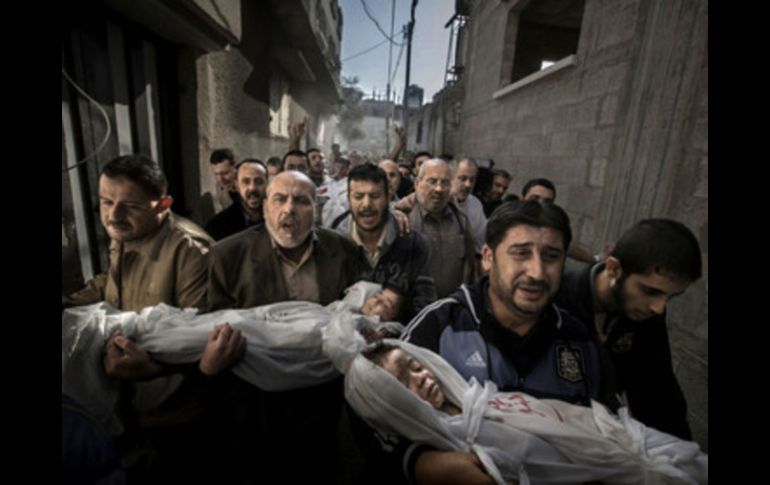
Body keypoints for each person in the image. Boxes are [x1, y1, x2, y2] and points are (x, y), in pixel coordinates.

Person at [352, 200, 614, 484]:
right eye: (521, 253)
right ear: (488, 258)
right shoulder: (440, 325)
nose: (537, 272)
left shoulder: (580, 341)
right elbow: (370, 410)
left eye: (551, 256)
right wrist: (420, 463)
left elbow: (609, 434)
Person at [349, 341, 708, 484]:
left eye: (415, 365)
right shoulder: (447, 452)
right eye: (401, 380)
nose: (422, 376)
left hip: (623, 438)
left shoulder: (474, 396)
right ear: (388, 403)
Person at [205, 170, 363, 483]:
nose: (288, 209)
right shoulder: (228, 256)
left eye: (301, 201)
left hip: (323, 401)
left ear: (315, 210)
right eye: (279, 199)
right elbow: (214, 328)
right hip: (256, 404)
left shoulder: (343, 252)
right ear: (265, 208)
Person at [557, 218, 702, 440]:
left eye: (670, 297)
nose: (659, 307)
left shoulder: (647, 315)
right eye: (651, 292)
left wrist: (679, 460)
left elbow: (658, 394)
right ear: (614, 269)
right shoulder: (558, 299)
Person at [64, 154, 212, 311]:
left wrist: (128, 336)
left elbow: (196, 328)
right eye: (107, 203)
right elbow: (113, 282)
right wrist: (67, 305)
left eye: (131, 206)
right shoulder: (129, 229)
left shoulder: (192, 251)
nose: (114, 216)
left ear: (164, 205)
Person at [330, 164, 437, 322]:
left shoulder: (414, 244)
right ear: (348, 198)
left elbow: (424, 309)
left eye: (375, 196)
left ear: (388, 197)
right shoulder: (332, 244)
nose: (367, 204)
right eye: (358, 196)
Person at [399, 159, 478, 298]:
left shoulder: (461, 221)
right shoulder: (403, 219)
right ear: (417, 184)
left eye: (445, 183)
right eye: (432, 181)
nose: (439, 189)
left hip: (453, 310)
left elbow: (471, 267)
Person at [521, 177, 597, 263]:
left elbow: (566, 247)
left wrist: (596, 260)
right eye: (534, 198)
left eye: (547, 201)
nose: (540, 204)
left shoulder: (548, 226)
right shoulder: (507, 222)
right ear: (522, 199)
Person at [204, 159, 268, 241]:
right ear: (237, 185)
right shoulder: (217, 226)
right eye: (246, 182)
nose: (252, 188)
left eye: (259, 181)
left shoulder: (277, 221)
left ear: (267, 183)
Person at [450, 157, 487, 255]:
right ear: (450, 177)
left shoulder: (475, 204)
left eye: (472, 180)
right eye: (463, 178)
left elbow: (481, 239)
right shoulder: (439, 201)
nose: (468, 185)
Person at [208, 148, 239, 213]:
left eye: (225, 173)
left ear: (234, 168)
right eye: (216, 174)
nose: (220, 179)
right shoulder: (219, 186)